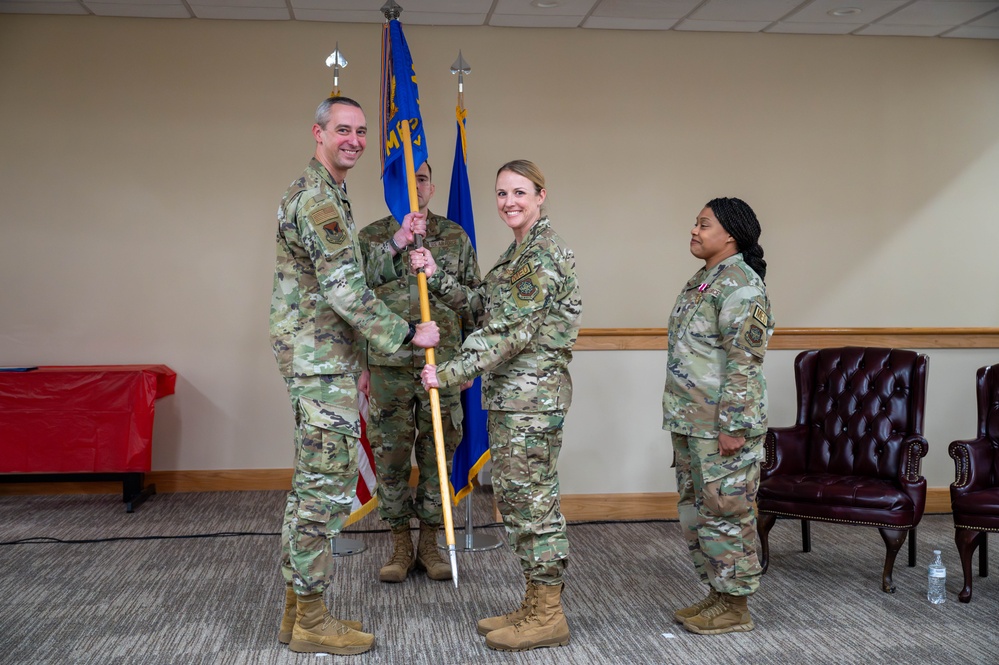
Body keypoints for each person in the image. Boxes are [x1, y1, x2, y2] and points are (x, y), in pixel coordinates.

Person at [270, 96, 439, 656]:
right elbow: (344, 290)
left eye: (362, 131)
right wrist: (405, 335)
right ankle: (313, 621)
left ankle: (297, 614)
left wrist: (393, 247)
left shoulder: (327, 192)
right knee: (323, 493)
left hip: (322, 359)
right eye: (343, 129)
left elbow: (343, 270)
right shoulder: (318, 198)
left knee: (309, 492)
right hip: (323, 365)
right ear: (317, 132)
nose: (356, 140)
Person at [411, 160, 582, 652]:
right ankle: (534, 602)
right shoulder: (516, 256)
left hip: (531, 401)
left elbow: (507, 334)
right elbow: (482, 305)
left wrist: (445, 374)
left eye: (520, 192)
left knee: (534, 506)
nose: (509, 202)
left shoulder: (541, 257)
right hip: (512, 401)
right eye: (502, 193)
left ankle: (548, 615)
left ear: (541, 195)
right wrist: (435, 275)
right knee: (517, 501)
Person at [357, 161, 481, 583]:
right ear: (392, 185)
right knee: (390, 458)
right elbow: (354, 305)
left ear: (432, 185)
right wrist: (363, 366)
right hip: (387, 365)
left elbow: (473, 303)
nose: (416, 187)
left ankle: (430, 542)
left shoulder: (454, 236)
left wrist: (469, 362)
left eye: (423, 178)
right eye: (408, 180)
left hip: (441, 365)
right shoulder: (373, 238)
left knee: (437, 457)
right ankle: (399, 544)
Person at [661, 197, 774, 635]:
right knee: (698, 513)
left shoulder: (741, 285)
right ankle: (717, 594)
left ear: (729, 234)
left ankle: (737, 607)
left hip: (721, 426)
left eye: (703, 224)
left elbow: (744, 362)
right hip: (691, 421)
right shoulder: (704, 280)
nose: (694, 229)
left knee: (727, 511)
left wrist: (733, 427)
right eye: (695, 222)